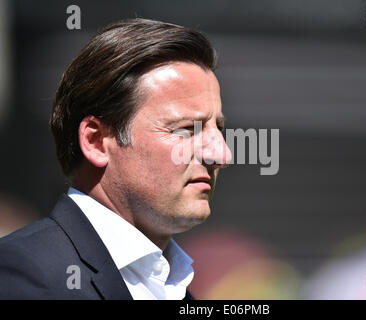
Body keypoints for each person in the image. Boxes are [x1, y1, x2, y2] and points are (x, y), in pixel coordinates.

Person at [0, 18, 231, 300]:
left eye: (217, 128)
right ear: (96, 142)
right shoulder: (23, 274)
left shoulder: (173, 285)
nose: (221, 154)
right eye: (185, 129)